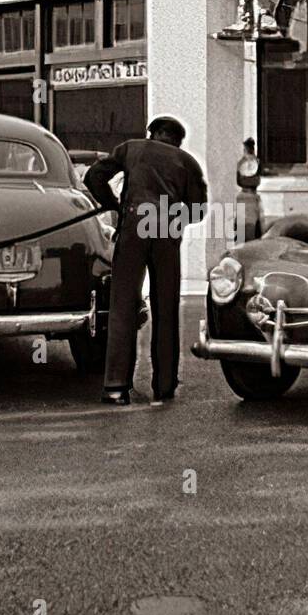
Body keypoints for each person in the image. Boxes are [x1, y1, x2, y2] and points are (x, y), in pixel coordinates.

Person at [84, 117, 209, 407]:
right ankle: (164, 385)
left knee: (123, 306)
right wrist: (174, 221)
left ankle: (116, 387)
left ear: (151, 134)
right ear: (177, 140)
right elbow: (198, 209)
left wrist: (114, 205)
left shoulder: (131, 148)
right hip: (165, 232)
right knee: (166, 307)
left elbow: (94, 177)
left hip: (133, 227)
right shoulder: (187, 162)